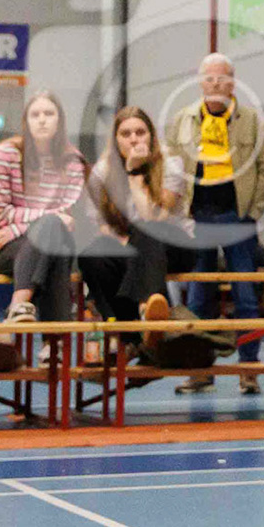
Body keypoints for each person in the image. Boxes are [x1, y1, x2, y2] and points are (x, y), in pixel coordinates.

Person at [165, 54, 264, 394]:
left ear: (233, 83)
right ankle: (200, 370)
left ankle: (248, 370)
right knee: (198, 298)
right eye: (209, 78)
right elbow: (170, 168)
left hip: (236, 217)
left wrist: (252, 213)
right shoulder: (182, 120)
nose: (215, 84)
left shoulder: (253, 121)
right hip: (196, 218)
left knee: (246, 296)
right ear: (200, 82)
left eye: (222, 78)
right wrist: (179, 215)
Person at [76, 106, 188, 350]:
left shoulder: (171, 164)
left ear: (151, 136)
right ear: (116, 140)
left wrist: (135, 173)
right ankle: (126, 332)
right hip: (128, 246)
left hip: (173, 245)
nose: (134, 139)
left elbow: (154, 218)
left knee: (146, 230)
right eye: (126, 134)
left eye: (140, 132)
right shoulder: (102, 172)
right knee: (90, 257)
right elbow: (103, 227)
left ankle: (147, 310)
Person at [0, 91, 87, 325]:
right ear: (25, 122)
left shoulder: (73, 160)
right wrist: (47, 219)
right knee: (53, 239)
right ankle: (53, 341)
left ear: (60, 120)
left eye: (49, 114)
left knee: (54, 242)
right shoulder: (6, 153)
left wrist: (18, 227)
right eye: (35, 114)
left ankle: (19, 305)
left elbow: (68, 217)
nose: (42, 120)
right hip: (1, 245)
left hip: (35, 238)